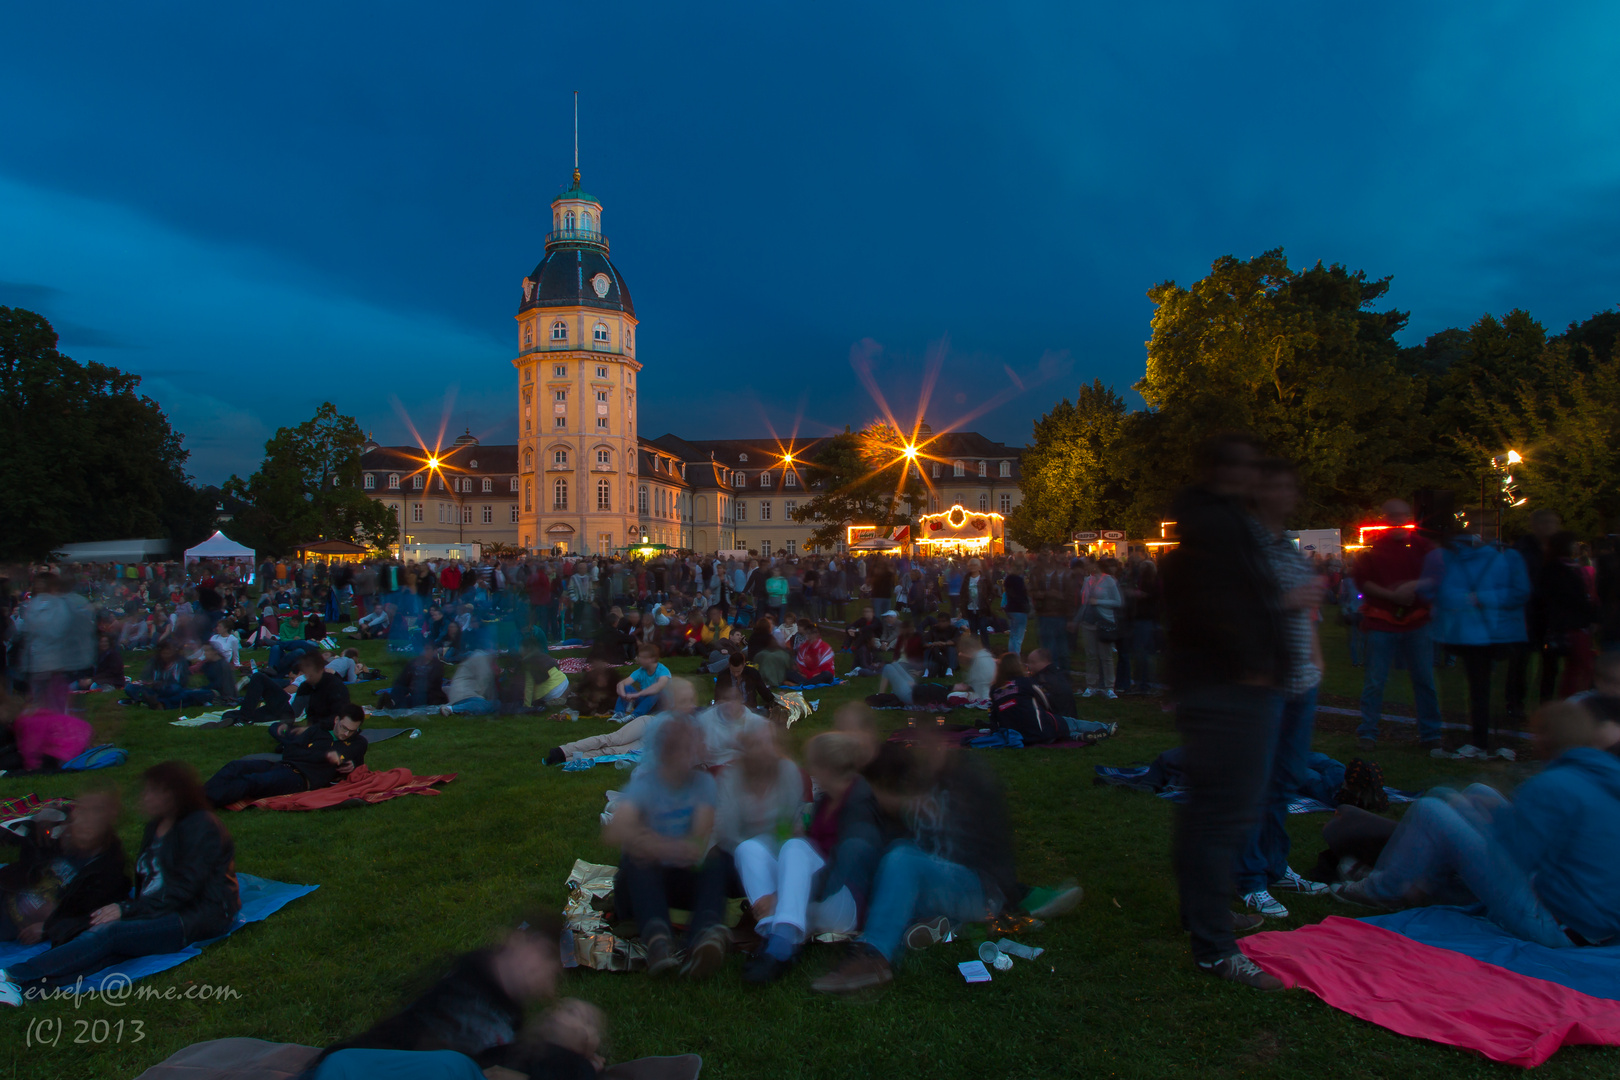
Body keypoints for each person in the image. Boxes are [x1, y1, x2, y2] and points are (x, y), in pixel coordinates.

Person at [1160, 432, 1288, 991]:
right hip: (1228, 686)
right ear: (1223, 467)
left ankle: (1204, 915)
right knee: (1223, 814)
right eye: (1243, 462)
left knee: (1207, 813)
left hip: (1214, 683)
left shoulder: (1210, 522)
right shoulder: (1217, 527)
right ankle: (1213, 945)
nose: (1252, 474)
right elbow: (1218, 605)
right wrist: (1252, 661)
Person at [1333, 700, 1620, 950]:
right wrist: (1496, 814)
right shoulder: (1602, 777)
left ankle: (1381, 890)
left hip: (1554, 923)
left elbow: (1514, 856)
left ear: (1544, 740)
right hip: (1587, 917)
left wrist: (1483, 818)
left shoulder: (1553, 786)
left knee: (1432, 811)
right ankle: (1419, 883)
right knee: (1471, 792)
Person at [0, 761, 239, 998]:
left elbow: (184, 892)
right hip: (158, 906)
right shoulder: (157, 824)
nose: (144, 797)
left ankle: (13, 975)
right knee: (109, 950)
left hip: (195, 914)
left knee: (110, 934)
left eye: (151, 791)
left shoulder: (201, 827)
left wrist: (126, 909)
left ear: (172, 795)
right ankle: (32, 989)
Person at [811, 734, 1018, 993]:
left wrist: (1008, 893)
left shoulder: (971, 782)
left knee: (902, 859)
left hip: (976, 889)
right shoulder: (919, 785)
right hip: (937, 880)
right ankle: (934, 924)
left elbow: (995, 849)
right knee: (895, 854)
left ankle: (874, 959)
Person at [311, 921, 605, 1080]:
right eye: (539, 955)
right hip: (367, 1063)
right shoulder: (469, 976)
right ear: (512, 942)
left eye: (549, 968)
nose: (541, 971)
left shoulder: (514, 1022)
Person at [1235, 459, 1329, 919]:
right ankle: (1249, 877)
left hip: (1299, 679)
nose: (1291, 493)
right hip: (1262, 679)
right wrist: (1285, 600)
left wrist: (1315, 657)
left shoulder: (1287, 549)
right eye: (1281, 485)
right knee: (1255, 780)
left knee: (1286, 777)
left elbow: (1304, 610)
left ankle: (1274, 864)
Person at [601, 714, 728, 978]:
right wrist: (654, 846)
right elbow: (615, 831)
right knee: (636, 860)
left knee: (716, 860)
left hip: (678, 876)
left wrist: (651, 843)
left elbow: (696, 843)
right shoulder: (647, 785)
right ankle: (658, 942)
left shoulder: (703, 784)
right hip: (642, 887)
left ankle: (705, 936)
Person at [1419, 527, 1531, 752]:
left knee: (1475, 689)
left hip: (1470, 633)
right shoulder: (1504, 557)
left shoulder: (1453, 559)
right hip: (1496, 631)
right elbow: (1519, 592)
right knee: (1492, 690)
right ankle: (1498, 742)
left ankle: (1477, 740)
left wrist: (1472, 599)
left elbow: (1441, 592)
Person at [1354, 500, 1443, 749]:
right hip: (1383, 621)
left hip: (1415, 622)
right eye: (1391, 515)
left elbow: (1436, 576)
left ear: (1408, 516)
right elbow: (1364, 582)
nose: (1396, 519)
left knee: (1423, 679)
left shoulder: (1423, 547)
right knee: (1376, 679)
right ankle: (1369, 731)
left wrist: (1413, 587)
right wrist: (1393, 595)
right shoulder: (1376, 549)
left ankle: (1430, 733)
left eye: (1400, 515)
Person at [0, 789, 130, 949]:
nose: (86, 821)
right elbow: (24, 860)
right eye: (83, 812)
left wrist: (48, 927)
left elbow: (93, 917)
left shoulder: (107, 872)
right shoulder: (61, 838)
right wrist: (39, 826)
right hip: (8, 893)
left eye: (96, 814)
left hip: (14, 922)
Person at [205, 704, 367, 806]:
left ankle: (202, 802)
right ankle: (200, 794)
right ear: (336, 720)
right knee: (236, 766)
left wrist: (350, 766)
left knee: (251, 781)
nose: (345, 734)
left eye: (351, 731)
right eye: (343, 727)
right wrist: (320, 756)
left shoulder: (357, 743)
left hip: (300, 779)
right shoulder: (317, 731)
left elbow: (352, 763)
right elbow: (290, 751)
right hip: (284, 765)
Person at [1076, 558, 1124, 699]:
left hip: (1104, 620)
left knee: (1106, 656)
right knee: (1091, 655)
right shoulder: (1087, 580)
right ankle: (1091, 685)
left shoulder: (1109, 581)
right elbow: (1083, 600)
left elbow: (1117, 601)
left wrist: (1099, 601)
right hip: (1088, 621)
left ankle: (1109, 686)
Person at [987, 652, 1060, 744]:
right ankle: (1078, 733)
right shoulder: (1027, 682)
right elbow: (1046, 702)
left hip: (1012, 734)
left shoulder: (994, 689)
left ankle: (1077, 735)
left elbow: (992, 714)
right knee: (1072, 723)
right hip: (1038, 732)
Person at [375, 639, 448, 710]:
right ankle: (391, 701)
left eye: (427, 649)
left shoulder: (437, 665)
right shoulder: (413, 663)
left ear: (433, 651)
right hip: (411, 689)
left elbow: (432, 684)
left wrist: (412, 691)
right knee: (399, 689)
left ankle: (393, 705)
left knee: (413, 699)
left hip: (429, 694)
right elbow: (401, 679)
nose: (424, 652)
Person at [613, 643, 671, 720]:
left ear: (652, 659)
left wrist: (637, 694)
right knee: (626, 687)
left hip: (660, 705)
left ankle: (635, 715)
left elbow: (658, 687)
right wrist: (623, 694)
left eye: (642, 658)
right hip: (645, 703)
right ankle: (619, 714)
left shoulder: (663, 670)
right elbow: (621, 684)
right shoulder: (640, 671)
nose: (638, 659)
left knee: (657, 692)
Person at [945, 633, 994, 706]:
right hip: (989, 691)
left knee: (951, 696)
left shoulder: (978, 661)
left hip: (984, 695)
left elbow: (979, 683)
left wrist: (967, 686)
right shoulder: (986, 655)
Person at [782, 621, 836, 686]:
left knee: (827, 674)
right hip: (807, 676)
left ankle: (801, 684)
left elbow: (826, 667)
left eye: (813, 633)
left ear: (818, 634)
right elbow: (800, 666)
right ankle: (808, 683)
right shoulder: (803, 647)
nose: (811, 636)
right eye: (808, 633)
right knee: (788, 673)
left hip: (819, 675)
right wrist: (808, 675)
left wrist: (811, 675)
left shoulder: (825, 648)